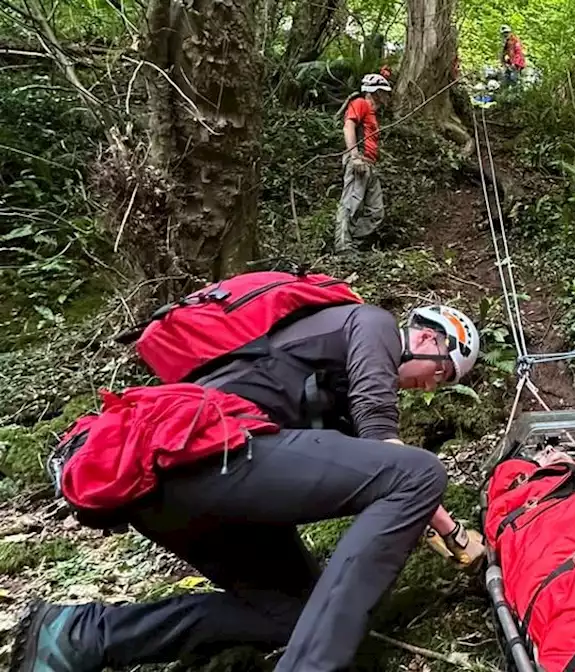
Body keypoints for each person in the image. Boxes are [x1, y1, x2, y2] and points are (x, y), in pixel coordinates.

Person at [10, 303, 485, 672]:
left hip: (188, 485)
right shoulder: (373, 324)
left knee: (296, 614)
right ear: (425, 336)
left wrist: (437, 525)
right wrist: (453, 531)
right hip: (201, 450)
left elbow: (358, 468)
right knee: (420, 469)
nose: (429, 388)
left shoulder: (329, 396)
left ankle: (79, 635)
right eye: (440, 372)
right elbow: (386, 439)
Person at [334, 73, 392, 253]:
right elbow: (348, 126)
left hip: (370, 165)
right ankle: (343, 246)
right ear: (374, 92)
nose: (386, 96)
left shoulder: (373, 113)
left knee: (376, 212)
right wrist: (355, 155)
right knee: (351, 203)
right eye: (383, 92)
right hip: (358, 162)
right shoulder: (360, 103)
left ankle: (354, 244)